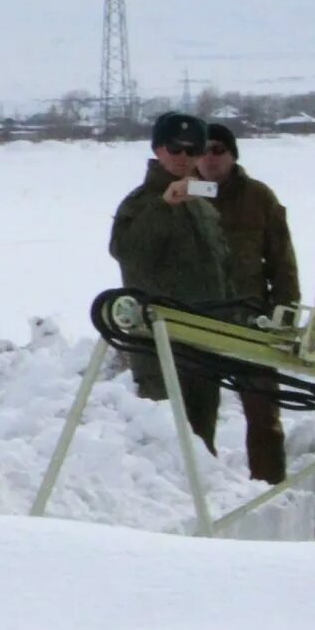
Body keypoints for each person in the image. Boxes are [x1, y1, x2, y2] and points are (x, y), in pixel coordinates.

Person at [108, 111, 232, 450]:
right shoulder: (139, 204)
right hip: (159, 348)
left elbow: (222, 269)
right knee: (167, 449)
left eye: (192, 151)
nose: (183, 158)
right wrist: (164, 207)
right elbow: (130, 254)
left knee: (202, 446)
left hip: (203, 346)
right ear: (158, 149)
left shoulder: (203, 207)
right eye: (175, 149)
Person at [197, 122, 300, 482]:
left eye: (218, 150)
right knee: (197, 416)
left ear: (233, 154)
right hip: (196, 320)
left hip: (251, 320)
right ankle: (200, 491)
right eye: (204, 150)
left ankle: (271, 489)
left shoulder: (259, 198)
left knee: (263, 415)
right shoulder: (182, 195)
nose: (210, 158)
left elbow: (282, 262)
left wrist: (284, 315)